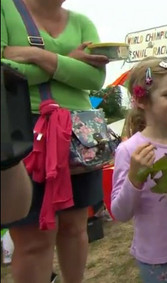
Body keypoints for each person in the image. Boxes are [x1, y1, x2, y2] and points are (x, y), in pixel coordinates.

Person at [0, 0, 109, 282]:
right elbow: (3, 73)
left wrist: (38, 57)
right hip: (23, 135)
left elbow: (94, 78)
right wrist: (68, 62)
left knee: (75, 228)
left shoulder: (83, 21)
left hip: (79, 137)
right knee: (34, 239)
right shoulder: (4, 8)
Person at [111, 57, 167, 283]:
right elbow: (120, 213)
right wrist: (135, 178)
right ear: (142, 100)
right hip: (154, 257)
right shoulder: (129, 151)